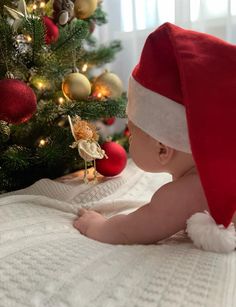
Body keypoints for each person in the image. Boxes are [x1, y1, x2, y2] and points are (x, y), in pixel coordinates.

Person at [73, 22, 236, 253]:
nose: (128, 138)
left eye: (132, 133)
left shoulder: (184, 193)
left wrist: (97, 225)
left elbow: (130, 230)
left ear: (163, 149)